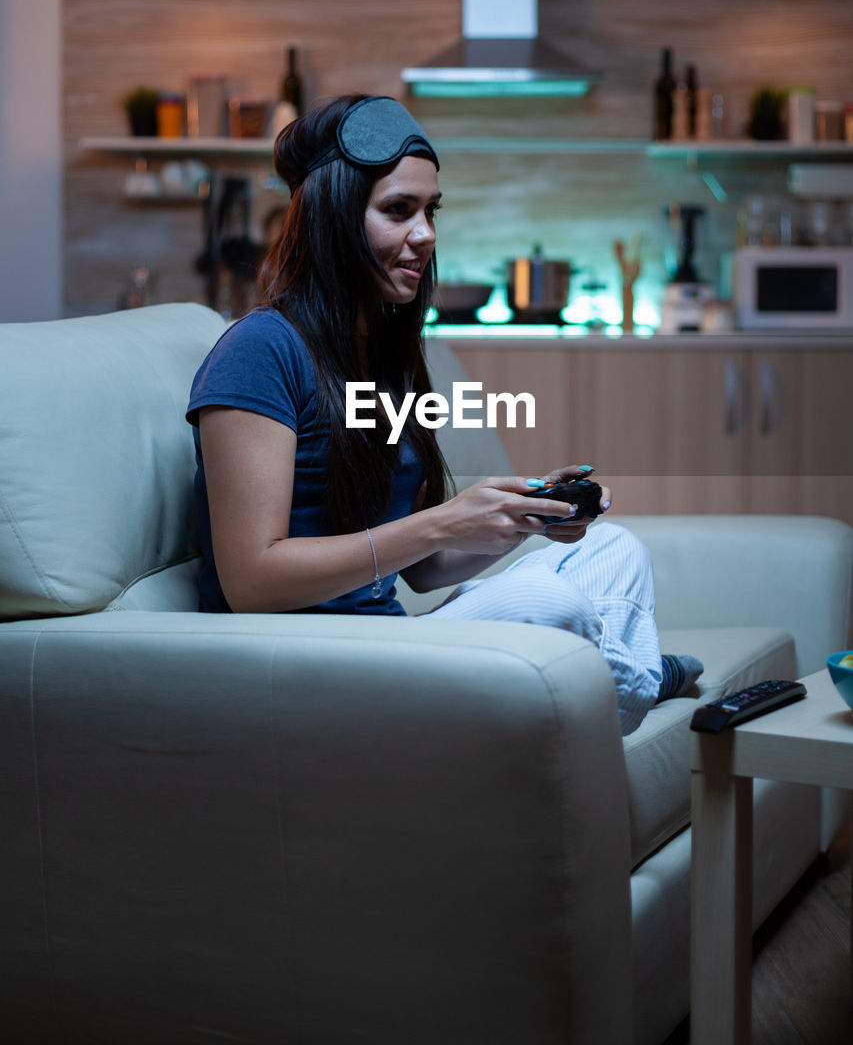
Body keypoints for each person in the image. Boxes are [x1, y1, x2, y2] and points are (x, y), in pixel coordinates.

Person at [186, 94, 701, 736]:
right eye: (398, 210)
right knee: (544, 602)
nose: (425, 234)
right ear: (333, 218)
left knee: (613, 546)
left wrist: (517, 519)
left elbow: (422, 572)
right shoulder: (260, 350)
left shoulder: (385, 354)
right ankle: (639, 681)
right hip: (303, 663)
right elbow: (251, 582)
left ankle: (624, 680)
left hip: (389, 645)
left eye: (430, 210)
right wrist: (441, 521)